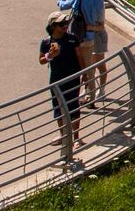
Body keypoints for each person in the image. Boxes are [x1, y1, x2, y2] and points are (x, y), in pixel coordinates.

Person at [58, 0, 109, 106]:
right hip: (90, 38)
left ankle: (73, 96)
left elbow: (63, 6)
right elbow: (100, 19)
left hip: (76, 38)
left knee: (75, 68)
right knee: (89, 69)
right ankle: (91, 98)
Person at [39, 13, 82, 165]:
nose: (65, 26)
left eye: (66, 23)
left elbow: (80, 58)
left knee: (73, 106)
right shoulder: (46, 42)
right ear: (53, 27)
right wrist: (50, 56)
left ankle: (76, 137)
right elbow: (41, 61)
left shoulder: (72, 39)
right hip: (56, 80)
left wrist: (84, 75)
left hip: (72, 77)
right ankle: (64, 136)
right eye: (61, 24)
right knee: (58, 108)